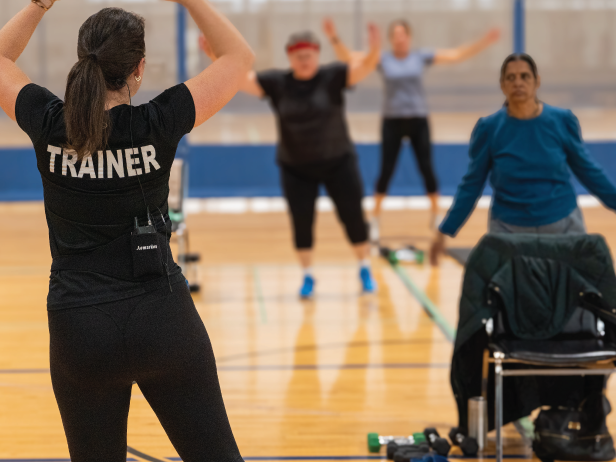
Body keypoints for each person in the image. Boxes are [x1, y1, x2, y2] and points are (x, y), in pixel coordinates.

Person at [0, 0, 252, 460]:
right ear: (139, 68)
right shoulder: (159, 121)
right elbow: (237, 59)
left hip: (80, 330)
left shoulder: (48, 123)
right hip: (163, 320)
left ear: (81, 60)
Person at [199, 21, 382, 297]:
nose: (304, 60)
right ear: (289, 57)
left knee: (353, 217)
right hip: (296, 167)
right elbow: (242, 80)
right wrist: (216, 58)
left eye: (308, 55)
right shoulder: (278, 82)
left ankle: (364, 266)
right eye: (298, 56)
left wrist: (375, 48)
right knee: (302, 222)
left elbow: (365, 67)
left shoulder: (333, 76)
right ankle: (307, 275)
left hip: (338, 162)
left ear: (318, 54)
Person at [431, 53, 616, 262]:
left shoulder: (562, 121)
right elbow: (472, 184)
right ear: (502, 85)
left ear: (537, 81)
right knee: (511, 294)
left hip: (564, 226)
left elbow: (588, 171)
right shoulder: (489, 128)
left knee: (571, 293)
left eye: (524, 76)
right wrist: (446, 229)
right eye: (510, 78)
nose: (517, 82)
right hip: (508, 231)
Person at [323, 19, 500, 238]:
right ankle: (375, 219)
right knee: (386, 171)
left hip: (418, 120)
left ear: (409, 37)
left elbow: (456, 55)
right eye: (395, 35)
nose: (399, 38)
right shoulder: (382, 58)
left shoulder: (420, 57)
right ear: (390, 39)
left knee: (426, 168)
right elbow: (348, 57)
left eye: (402, 34)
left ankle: (436, 217)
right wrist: (334, 37)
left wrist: (484, 42)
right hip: (392, 121)